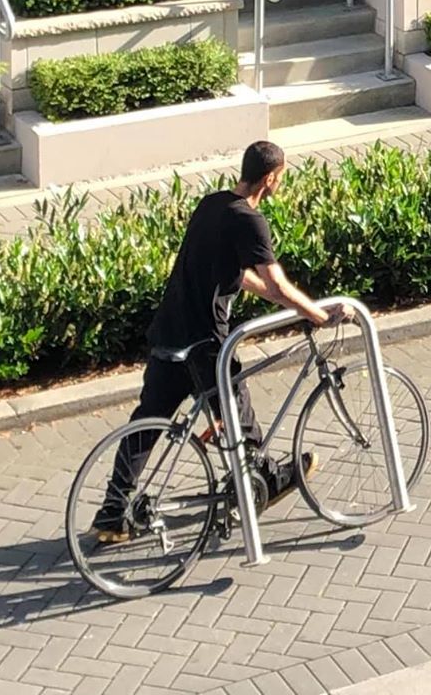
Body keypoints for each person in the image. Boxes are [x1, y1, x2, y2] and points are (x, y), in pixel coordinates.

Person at [90, 140, 350, 543]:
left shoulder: (212, 204)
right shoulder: (250, 220)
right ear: (270, 178)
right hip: (206, 343)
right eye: (281, 177)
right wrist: (318, 314)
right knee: (240, 419)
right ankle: (266, 481)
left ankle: (111, 513)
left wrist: (280, 300)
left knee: (147, 422)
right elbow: (277, 282)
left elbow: (242, 276)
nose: (282, 182)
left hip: (169, 332)